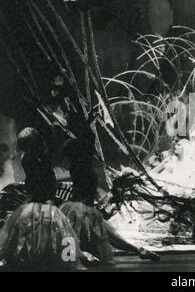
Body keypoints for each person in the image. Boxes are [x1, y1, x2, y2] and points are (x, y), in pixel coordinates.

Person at [60, 110, 160, 264]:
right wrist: (87, 124)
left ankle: (136, 250)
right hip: (82, 207)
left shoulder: (80, 162)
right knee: (100, 236)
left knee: (89, 236)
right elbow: (87, 142)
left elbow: (87, 142)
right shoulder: (81, 164)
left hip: (83, 207)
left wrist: (87, 124)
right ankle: (136, 250)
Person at [0, 127, 95, 271]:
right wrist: (46, 200)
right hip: (39, 197)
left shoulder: (41, 156)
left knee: (59, 226)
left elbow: (48, 180)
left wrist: (51, 199)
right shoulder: (29, 159)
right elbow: (38, 183)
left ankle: (75, 253)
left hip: (45, 196)